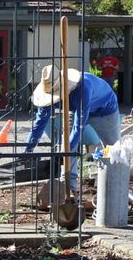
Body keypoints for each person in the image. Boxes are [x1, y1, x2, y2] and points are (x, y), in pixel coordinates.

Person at [22, 64, 121, 194]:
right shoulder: (48, 93)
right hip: (75, 109)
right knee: (66, 141)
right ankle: (69, 186)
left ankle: (116, 185)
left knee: (113, 148)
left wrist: (66, 151)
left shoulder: (83, 88)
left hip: (104, 110)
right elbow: (39, 123)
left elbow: (78, 126)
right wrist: (28, 150)